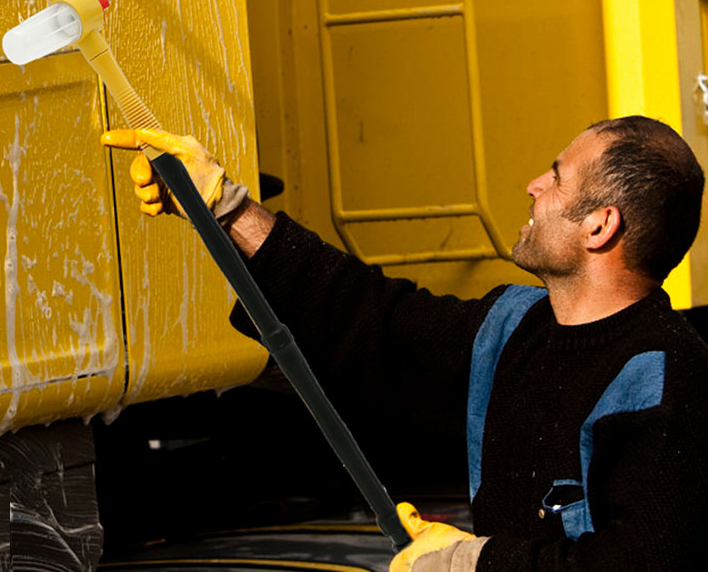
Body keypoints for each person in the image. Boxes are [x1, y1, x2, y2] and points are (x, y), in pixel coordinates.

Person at [103, 116, 708, 571]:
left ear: (600, 226)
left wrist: (471, 562)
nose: (532, 186)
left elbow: (643, 564)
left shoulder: (664, 377)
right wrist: (225, 208)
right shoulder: (511, 329)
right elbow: (369, 316)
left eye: (555, 177)